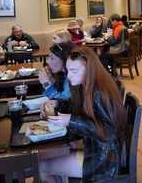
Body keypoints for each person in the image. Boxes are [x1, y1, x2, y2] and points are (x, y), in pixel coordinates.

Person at [40, 46, 126, 182]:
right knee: (50, 160)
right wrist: (58, 104)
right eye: (68, 70)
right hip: (97, 149)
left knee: (42, 167)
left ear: (89, 69)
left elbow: (108, 132)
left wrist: (70, 121)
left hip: (103, 160)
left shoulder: (98, 93)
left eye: (74, 71)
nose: (68, 76)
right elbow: (85, 114)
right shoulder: (90, 84)